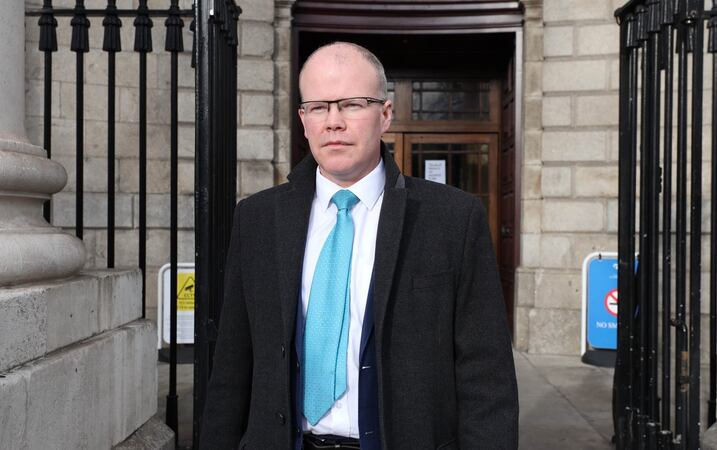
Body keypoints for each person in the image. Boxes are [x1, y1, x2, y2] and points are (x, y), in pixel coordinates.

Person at [200, 41, 518, 450]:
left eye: (352, 104)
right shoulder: (258, 219)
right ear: (303, 119)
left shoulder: (453, 219)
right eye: (319, 107)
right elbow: (232, 366)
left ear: (385, 114)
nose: (333, 121)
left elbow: (486, 377)